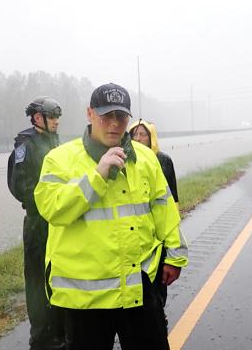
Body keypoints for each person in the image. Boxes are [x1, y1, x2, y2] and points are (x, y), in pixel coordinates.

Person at [34, 83, 188, 350]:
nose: (114, 124)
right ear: (89, 114)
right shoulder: (59, 159)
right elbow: (52, 209)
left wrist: (176, 256)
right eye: (106, 116)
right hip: (84, 298)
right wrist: (97, 177)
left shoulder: (145, 158)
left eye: (121, 117)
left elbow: (163, 207)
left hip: (137, 286)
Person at [7, 97, 66, 350]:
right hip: (36, 221)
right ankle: (40, 336)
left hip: (57, 219)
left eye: (57, 118)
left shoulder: (55, 141)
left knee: (58, 276)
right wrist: (45, 201)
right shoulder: (25, 144)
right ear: (37, 118)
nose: (56, 122)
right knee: (36, 280)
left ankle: (59, 330)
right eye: (52, 117)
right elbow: (20, 185)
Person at [129, 119, 178, 321]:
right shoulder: (126, 159)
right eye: (135, 135)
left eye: (143, 134)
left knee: (158, 277)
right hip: (138, 231)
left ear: (152, 138)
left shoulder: (162, 160)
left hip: (159, 230)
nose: (138, 138)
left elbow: (172, 200)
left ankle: (158, 313)